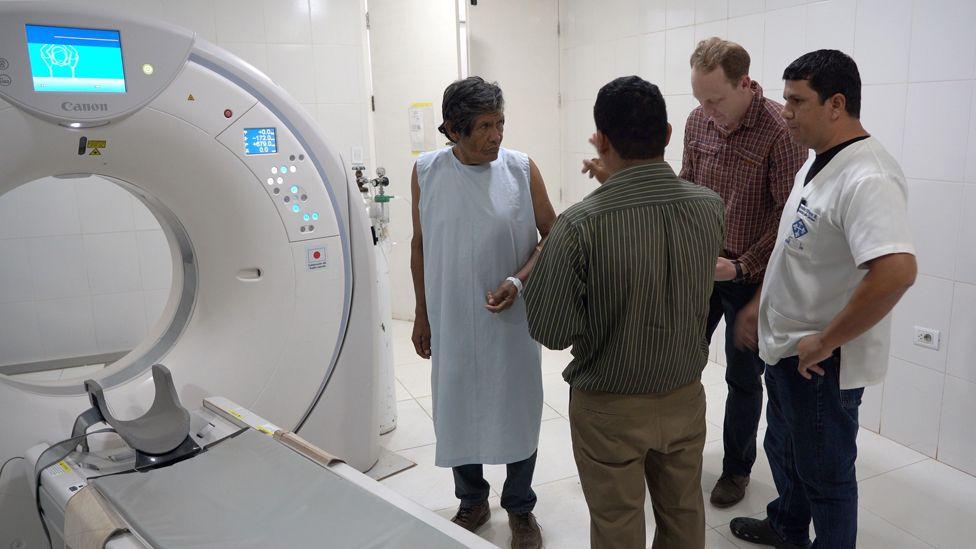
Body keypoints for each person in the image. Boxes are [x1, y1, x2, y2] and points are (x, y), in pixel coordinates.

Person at [524, 76, 725, 549]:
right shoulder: (709, 207)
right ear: (669, 134)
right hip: (684, 396)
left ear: (605, 140)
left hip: (610, 408)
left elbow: (552, 329)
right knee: (684, 514)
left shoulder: (580, 223)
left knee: (617, 525)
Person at [729, 50, 916, 549]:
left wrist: (826, 341)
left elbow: (896, 270)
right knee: (785, 450)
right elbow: (798, 250)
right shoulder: (818, 164)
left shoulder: (868, 176)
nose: (784, 110)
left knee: (826, 477)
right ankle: (787, 527)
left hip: (820, 363)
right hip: (787, 347)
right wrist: (757, 306)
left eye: (796, 100)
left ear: (836, 104)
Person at [409, 76, 556, 549]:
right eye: (485, 126)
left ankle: (520, 507)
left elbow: (552, 235)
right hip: (451, 314)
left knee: (516, 405)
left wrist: (519, 280)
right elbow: (420, 244)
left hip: (508, 318)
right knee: (456, 406)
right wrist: (421, 314)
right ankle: (472, 498)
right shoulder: (426, 171)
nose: (496, 135)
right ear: (454, 129)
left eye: (501, 124)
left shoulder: (519, 169)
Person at [682, 37, 808, 508]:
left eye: (715, 99)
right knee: (679, 359)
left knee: (741, 375)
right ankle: (677, 451)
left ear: (745, 84)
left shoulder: (779, 129)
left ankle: (736, 468)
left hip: (751, 276)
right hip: (701, 267)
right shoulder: (698, 121)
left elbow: (787, 215)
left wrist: (739, 266)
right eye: (699, 99)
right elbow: (687, 187)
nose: (707, 111)